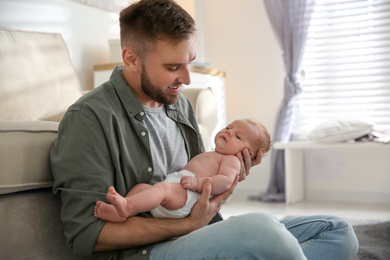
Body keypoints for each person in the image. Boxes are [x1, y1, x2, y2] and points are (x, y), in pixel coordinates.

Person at [50, 0, 358, 259]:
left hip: (200, 231)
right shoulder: (89, 118)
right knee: (265, 231)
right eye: (173, 67)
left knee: (338, 231)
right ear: (131, 59)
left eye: (190, 63)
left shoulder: (179, 106)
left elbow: (202, 186)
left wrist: (230, 172)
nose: (186, 79)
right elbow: (87, 235)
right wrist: (188, 226)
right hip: (149, 251)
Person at [94, 118, 271, 222]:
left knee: (161, 189)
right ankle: (122, 211)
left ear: (248, 153)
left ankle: (127, 206)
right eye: (228, 127)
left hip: (189, 195)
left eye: (238, 136)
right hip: (180, 188)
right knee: (142, 188)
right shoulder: (216, 154)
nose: (229, 132)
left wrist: (198, 183)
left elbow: (224, 181)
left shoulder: (231, 160)